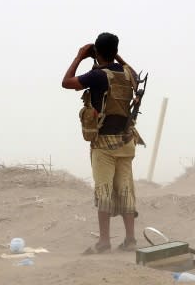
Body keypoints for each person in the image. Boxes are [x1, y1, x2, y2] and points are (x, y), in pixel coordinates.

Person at [62, 32, 143, 254]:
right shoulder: (127, 73)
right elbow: (136, 74)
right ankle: (130, 240)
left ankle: (104, 242)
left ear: (96, 52)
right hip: (126, 141)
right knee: (125, 189)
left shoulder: (98, 76)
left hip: (104, 144)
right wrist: (118, 57)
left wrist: (79, 56)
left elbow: (66, 82)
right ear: (115, 52)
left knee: (104, 190)